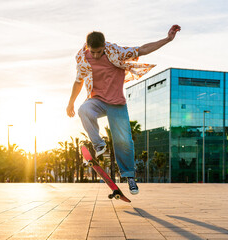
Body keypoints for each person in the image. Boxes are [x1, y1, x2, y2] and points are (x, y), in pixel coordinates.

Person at [66, 25, 181, 194]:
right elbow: (78, 82)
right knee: (84, 110)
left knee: (124, 141)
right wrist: (71, 103)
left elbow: (142, 49)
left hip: (116, 103)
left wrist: (167, 39)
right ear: (88, 47)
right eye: (93, 52)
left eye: (99, 52)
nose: (96, 56)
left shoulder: (116, 51)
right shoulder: (83, 58)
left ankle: (130, 178)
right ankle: (99, 146)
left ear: (104, 46)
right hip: (96, 101)